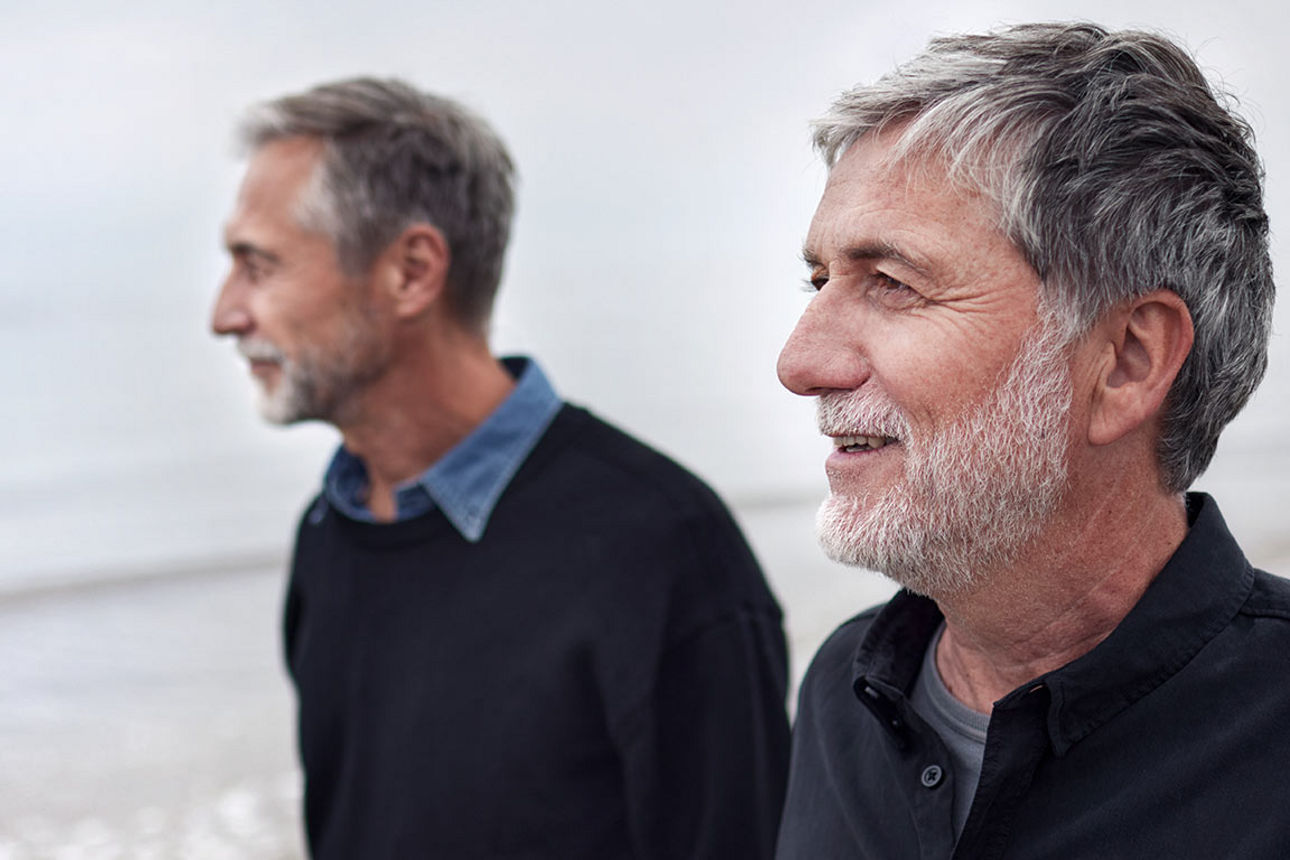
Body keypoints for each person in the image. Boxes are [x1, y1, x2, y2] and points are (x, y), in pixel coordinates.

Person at [210, 77, 789, 859]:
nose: (225, 313)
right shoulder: (331, 531)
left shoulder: (661, 547)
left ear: (412, 271)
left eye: (259, 265)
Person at [774, 22, 1283, 859]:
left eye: (892, 284)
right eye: (821, 280)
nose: (800, 363)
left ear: (1127, 361)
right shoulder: (844, 691)